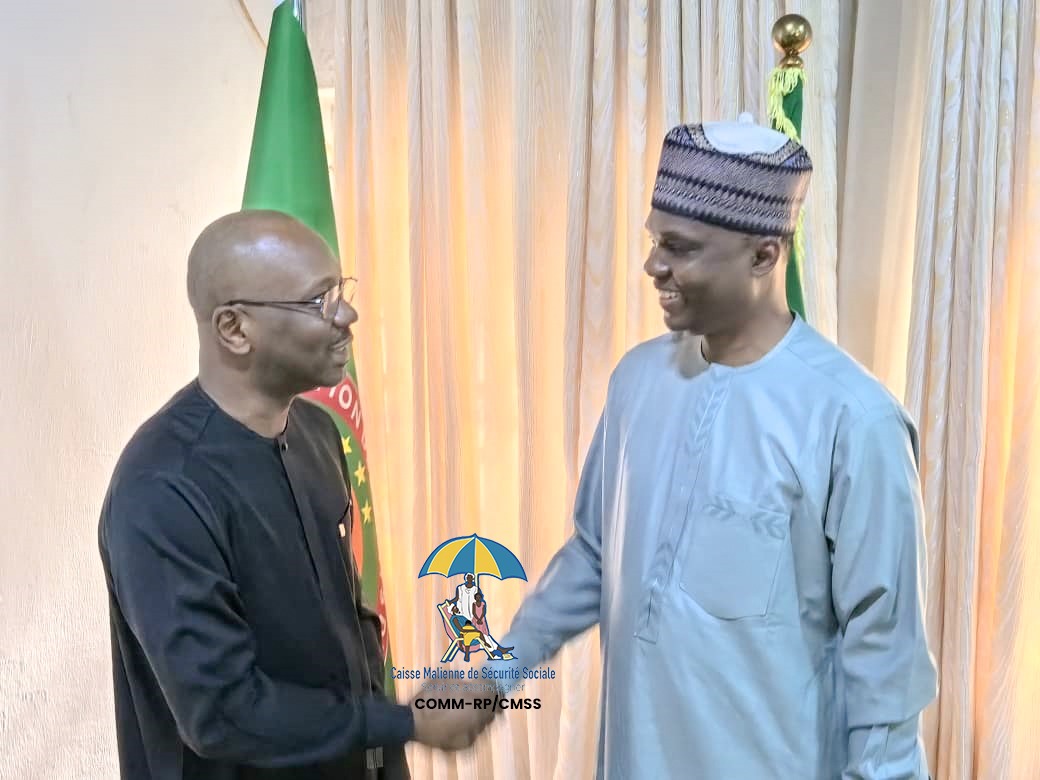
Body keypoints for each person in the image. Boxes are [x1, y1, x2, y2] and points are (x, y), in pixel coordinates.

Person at [470, 116, 939, 778]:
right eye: (655, 240)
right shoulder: (637, 380)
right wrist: (497, 673)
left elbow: (885, 660)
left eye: (680, 247)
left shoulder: (853, 420)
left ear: (763, 256)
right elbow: (596, 554)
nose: (653, 265)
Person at [98, 210, 492, 780]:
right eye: (318, 301)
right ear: (234, 329)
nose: (347, 315)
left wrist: (388, 754)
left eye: (341, 292)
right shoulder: (162, 488)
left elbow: (349, 628)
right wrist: (406, 722)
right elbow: (221, 715)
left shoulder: (317, 432)